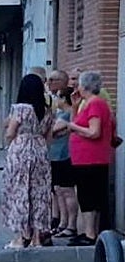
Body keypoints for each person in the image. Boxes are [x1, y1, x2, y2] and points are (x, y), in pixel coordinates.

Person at [61, 70, 116, 247]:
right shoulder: (87, 104)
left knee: (88, 196)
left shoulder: (95, 104)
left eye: (78, 84)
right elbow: (77, 123)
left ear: (84, 86)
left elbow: (94, 131)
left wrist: (71, 126)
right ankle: (90, 232)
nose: (76, 87)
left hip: (91, 158)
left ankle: (90, 233)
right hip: (85, 158)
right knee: (89, 195)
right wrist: (75, 107)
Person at [2, 73, 53, 249]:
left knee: (19, 192)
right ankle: (37, 238)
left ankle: (21, 236)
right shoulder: (47, 110)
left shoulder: (21, 108)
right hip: (40, 150)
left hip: (21, 150)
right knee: (39, 194)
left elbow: (10, 132)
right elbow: (49, 137)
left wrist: (12, 140)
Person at [46, 87, 80, 242]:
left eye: (59, 97)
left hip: (65, 156)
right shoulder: (58, 114)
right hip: (54, 156)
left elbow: (53, 131)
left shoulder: (68, 114)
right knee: (58, 190)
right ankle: (62, 222)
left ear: (65, 99)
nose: (56, 100)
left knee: (67, 191)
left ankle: (71, 224)